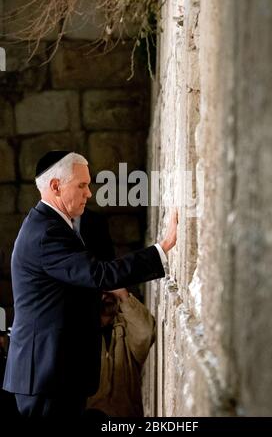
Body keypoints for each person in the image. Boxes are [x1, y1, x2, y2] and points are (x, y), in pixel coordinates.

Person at [2, 151, 177, 420]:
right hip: (47, 376)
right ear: (56, 186)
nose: (90, 193)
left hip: (56, 373)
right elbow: (98, 274)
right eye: (82, 185)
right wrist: (162, 249)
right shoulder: (46, 232)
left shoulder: (51, 225)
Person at [86, 288, 155, 418]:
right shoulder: (78, 332)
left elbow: (145, 333)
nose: (105, 295)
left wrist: (123, 295)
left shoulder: (125, 325)